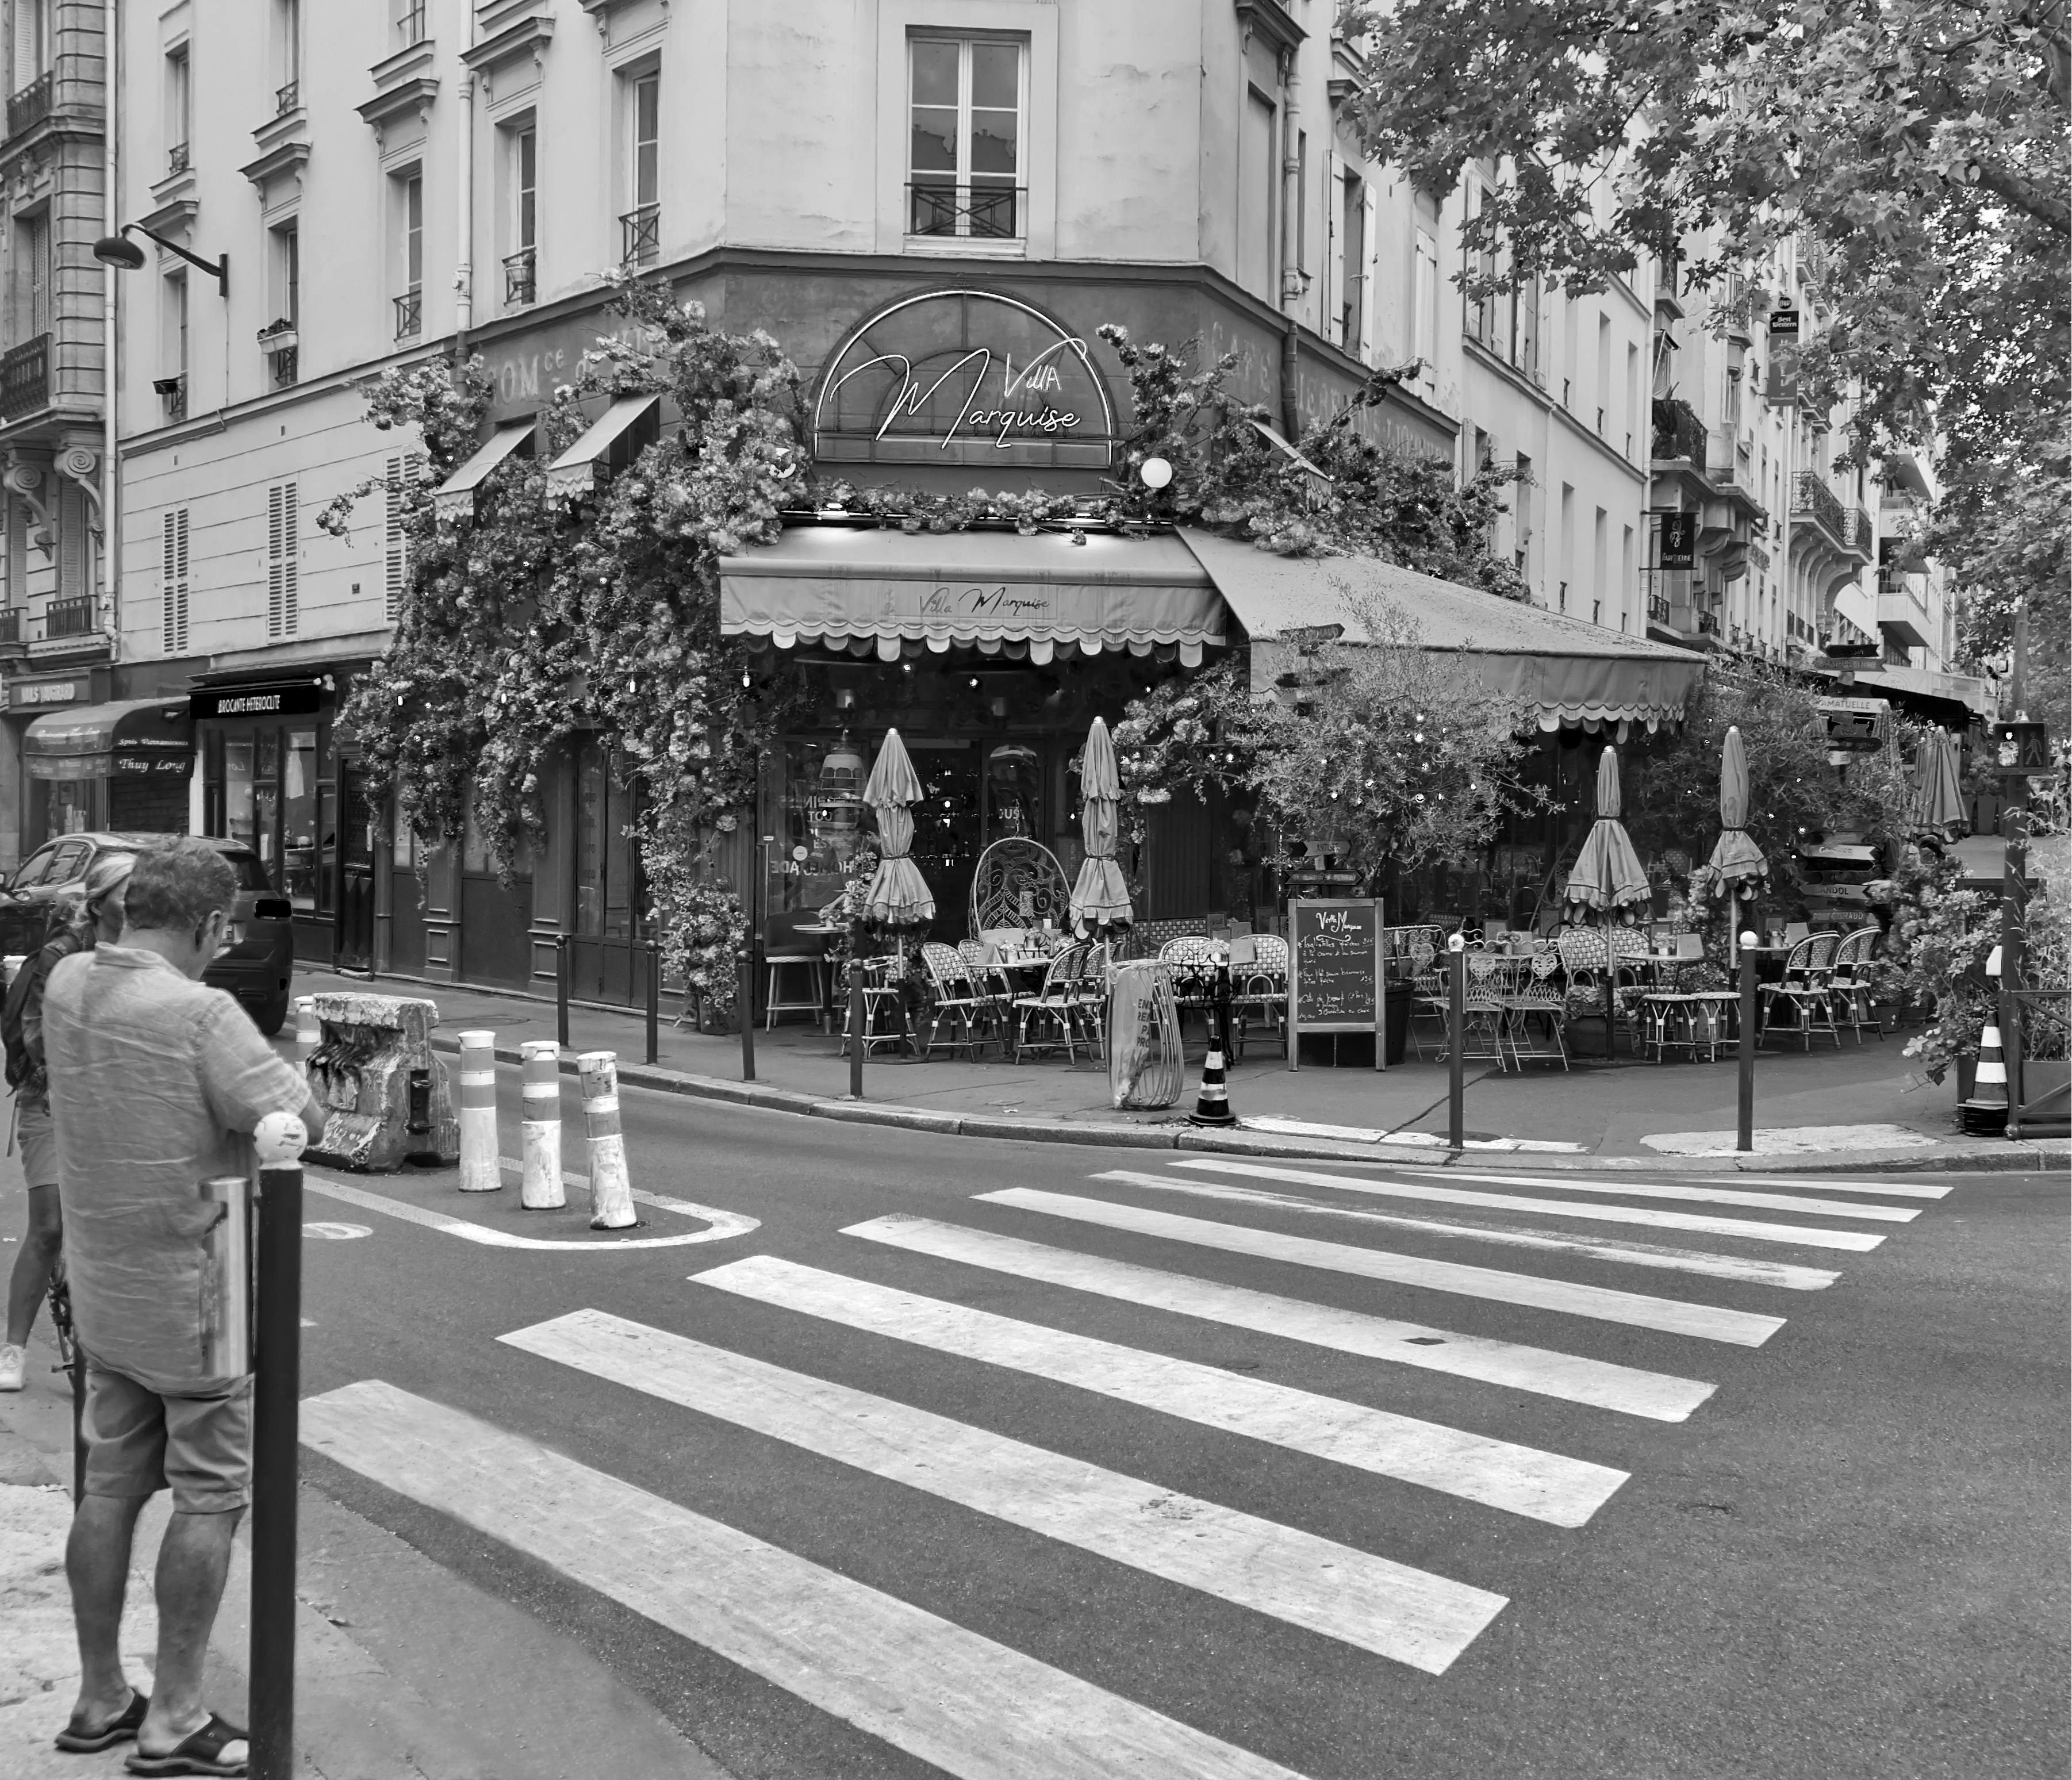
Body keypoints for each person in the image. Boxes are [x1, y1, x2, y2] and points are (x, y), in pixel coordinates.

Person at [41, 838, 323, 1777]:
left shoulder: (70, 982)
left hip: (103, 1286)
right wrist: (303, 1056)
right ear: (209, 926)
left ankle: (97, 1697)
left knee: (110, 1487)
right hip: (206, 1289)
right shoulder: (204, 1014)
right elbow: (296, 1119)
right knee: (212, 1496)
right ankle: (173, 1714)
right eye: (224, 931)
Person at [0, 851, 136, 1392]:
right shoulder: (61, 956)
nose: (141, 902)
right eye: (130, 892)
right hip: (51, 1099)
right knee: (50, 1226)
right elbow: (37, 1038)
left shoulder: (148, 955)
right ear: (101, 903)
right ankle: (12, 1349)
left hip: (117, 1104)